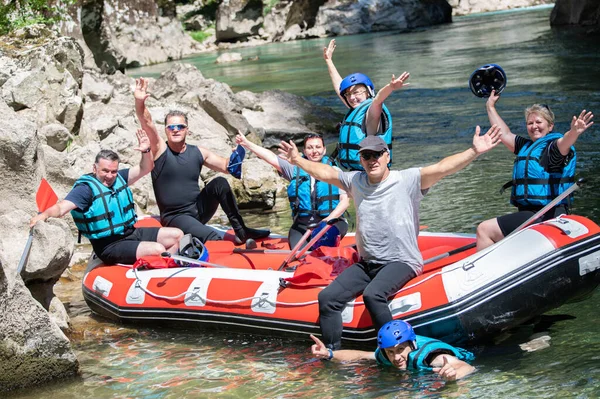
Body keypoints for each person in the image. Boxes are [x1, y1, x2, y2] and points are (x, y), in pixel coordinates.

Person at [278, 125, 502, 350]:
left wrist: (474, 151)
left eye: (376, 154)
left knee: (373, 295)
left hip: (402, 261)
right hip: (368, 263)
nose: (372, 160)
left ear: (387, 156)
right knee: (327, 298)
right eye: (366, 155)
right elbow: (324, 173)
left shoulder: (407, 180)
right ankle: (332, 352)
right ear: (361, 159)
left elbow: (442, 167)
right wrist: (297, 160)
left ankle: (396, 352)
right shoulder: (355, 181)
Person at [134, 78, 270, 245]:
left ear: (187, 130)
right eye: (171, 127)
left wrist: (239, 153)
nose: (175, 130)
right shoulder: (159, 150)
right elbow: (147, 121)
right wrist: (139, 102)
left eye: (180, 127)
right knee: (212, 236)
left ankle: (241, 230)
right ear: (166, 131)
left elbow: (228, 167)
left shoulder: (198, 152)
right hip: (176, 217)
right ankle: (224, 248)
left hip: (198, 211)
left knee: (220, 182)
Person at [29, 130, 184, 265]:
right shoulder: (85, 189)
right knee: (157, 249)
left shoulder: (119, 178)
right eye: (105, 171)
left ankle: (166, 271)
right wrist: (44, 215)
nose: (110, 176)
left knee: (177, 235)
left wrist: (146, 151)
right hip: (108, 245)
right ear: (94, 168)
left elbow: (146, 168)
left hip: (131, 233)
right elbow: (62, 207)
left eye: (113, 171)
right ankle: (153, 271)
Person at [476, 90, 594, 251]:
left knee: (484, 229)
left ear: (550, 125)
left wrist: (574, 132)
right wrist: (490, 106)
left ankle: (482, 275)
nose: (534, 127)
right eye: (530, 123)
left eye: (539, 122)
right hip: (531, 214)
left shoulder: (552, 148)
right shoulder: (526, 147)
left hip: (547, 215)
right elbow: (503, 133)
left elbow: (564, 143)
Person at [235, 132, 349, 249]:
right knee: (297, 251)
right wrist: (247, 143)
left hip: (332, 222)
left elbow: (344, 201)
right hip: (303, 225)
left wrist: (327, 220)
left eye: (318, 147)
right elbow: (271, 157)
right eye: (310, 148)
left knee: (322, 243)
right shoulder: (294, 169)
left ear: (324, 150)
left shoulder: (334, 170)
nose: (314, 151)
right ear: (304, 151)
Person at [323, 39, 410, 170]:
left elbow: (378, 100)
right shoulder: (357, 110)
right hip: (357, 173)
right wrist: (329, 61)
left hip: (372, 174)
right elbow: (340, 87)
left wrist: (390, 88)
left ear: (368, 92)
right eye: (348, 94)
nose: (352, 97)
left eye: (357, 92)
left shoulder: (372, 112)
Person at [310, 319, 476, 381]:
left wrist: (453, 375)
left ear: (412, 345)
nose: (396, 357)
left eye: (400, 350)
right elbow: (361, 355)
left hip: (471, 354)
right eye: (390, 352)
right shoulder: (385, 353)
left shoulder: (431, 357)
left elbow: (467, 367)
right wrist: (329, 354)